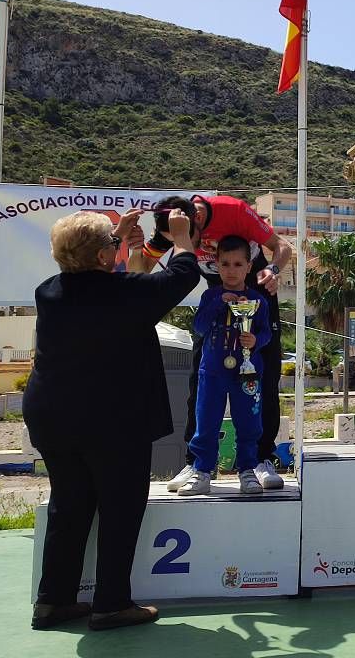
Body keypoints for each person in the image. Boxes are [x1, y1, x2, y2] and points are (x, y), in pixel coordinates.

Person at [23, 208, 200, 630]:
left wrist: (115, 237)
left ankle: (53, 601)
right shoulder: (126, 293)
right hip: (112, 419)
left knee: (71, 504)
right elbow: (183, 275)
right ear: (104, 258)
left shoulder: (48, 291)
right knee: (120, 507)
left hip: (52, 416)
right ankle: (111, 604)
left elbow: (92, 278)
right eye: (109, 246)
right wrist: (181, 236)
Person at [130, 194, 291, 492]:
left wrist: (274, 271)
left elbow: (282, 247)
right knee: (199, 384)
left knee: (262, 380)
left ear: (197, 223)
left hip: (255, 296)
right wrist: (135, 245)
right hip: (214, 303)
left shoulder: (234, 212)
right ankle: (197, 464)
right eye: (176, 241)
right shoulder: (173, 225)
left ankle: (260, 459)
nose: (184, 248)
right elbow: (139, 272)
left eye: (185, 240)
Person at [179, 235, 273, 496]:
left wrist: (255, 340)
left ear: (249, 267)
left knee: (249, 423)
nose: (231, 271)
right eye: (225, 264)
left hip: (248, 372)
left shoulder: (258, 300)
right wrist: (217, 305)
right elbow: (198, 327)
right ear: (216, 266)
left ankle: (247, 470)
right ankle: (202, 470)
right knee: (206, 421)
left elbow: (266, 333)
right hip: (212, 372)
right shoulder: (210, 296)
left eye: (238, 264)